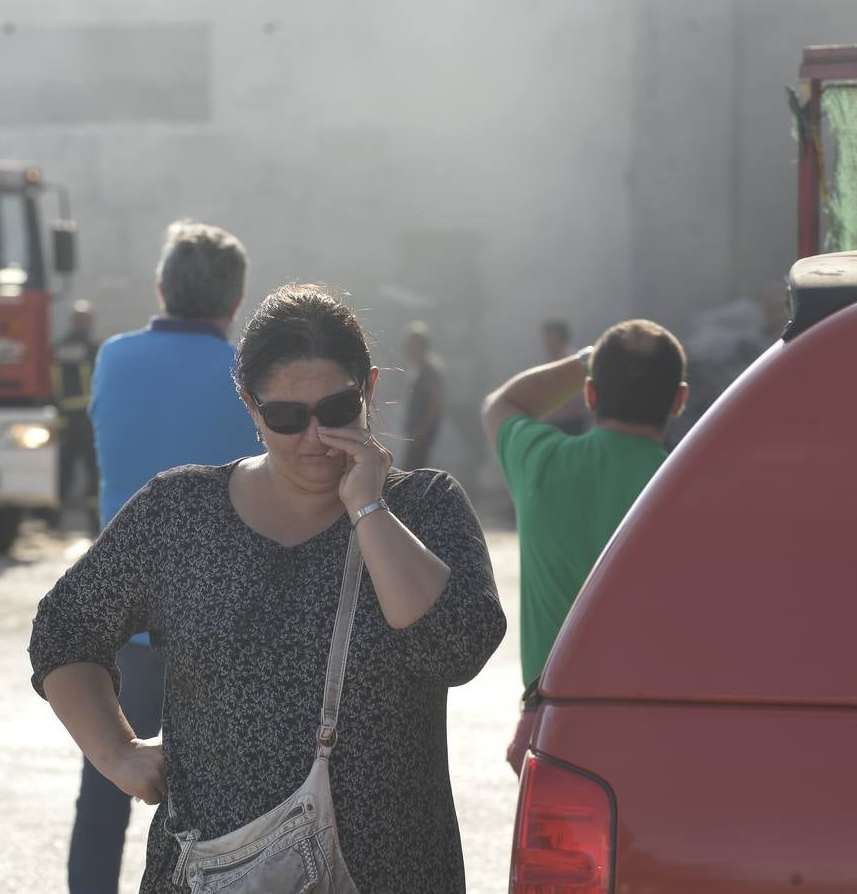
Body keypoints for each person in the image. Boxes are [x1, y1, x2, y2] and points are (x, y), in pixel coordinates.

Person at [31, 283, 505, 893]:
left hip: (390, 871)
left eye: (336, 411)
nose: (314, 438)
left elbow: (455, 649)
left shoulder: (426, 507)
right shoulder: (181, 509)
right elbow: (64, 629)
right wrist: (117, 752)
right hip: (210, 869)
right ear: (250, 408)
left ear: (370, 390)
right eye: (285, 417)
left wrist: (369, 510)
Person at [70, 220, 260, 893]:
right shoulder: (249, 379)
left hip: (126, 613)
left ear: (160, 288)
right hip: (224, 620)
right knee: (220, 801)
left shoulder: (113, 359)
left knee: (103, 789)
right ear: (237, 300)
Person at [482, 319, 688, 775]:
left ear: (591, 395)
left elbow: (503, 403)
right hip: (663, 727)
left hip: (558, 726)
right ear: (679, 400)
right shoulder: (690, 488)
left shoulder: (542, 463)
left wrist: (584, 360)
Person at [52, 299, 101, 531]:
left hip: (63, 419)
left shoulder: (58, 348)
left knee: (64, 469)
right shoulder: (93, 349)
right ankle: (94, 522)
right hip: (88, 419)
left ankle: (54, 519)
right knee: (93, 468)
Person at [401, 321, 446, 469]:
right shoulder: (420, 367)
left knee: (414, 473)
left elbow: (436, 399)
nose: (408, 348)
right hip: (417, 433)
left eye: (411, 344)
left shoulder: (429, 368)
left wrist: (422, 429)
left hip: (422, 434)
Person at [540, 319, 593, 435]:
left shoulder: (571, 359)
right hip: (557, 420)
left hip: (572, 419)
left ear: (560, 336)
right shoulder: (552, 359)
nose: (546, 340)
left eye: (550, 335)